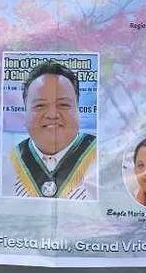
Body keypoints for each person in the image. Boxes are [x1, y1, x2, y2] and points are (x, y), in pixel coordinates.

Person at [8, 62, 97, 200]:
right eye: (40, 105)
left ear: (78, 110)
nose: (52, 114)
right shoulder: (8, 165)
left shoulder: (102, 158)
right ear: (25, 113)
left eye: (63, 105)